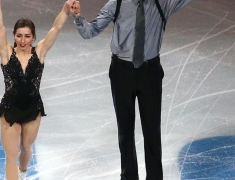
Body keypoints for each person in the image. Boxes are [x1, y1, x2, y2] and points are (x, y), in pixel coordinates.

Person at [69, 0, 193, 178]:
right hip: (122, 74)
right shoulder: (117, 3)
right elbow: (90, 31)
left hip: (150, 74)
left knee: (152, 131)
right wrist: (78, 17)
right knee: (125, 131)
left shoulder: (162, 4)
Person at [0, 0, 73, 179]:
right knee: (11, 156)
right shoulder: (6, 53)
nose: (23, 40)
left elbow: (56, 27)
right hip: (10, 109)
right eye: (19, 35)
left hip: (32, 109)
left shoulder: (40, 52)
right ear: (14, 36)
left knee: (26, 148)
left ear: (34, 37)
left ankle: (23, 171)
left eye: (27, 36)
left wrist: (66, 9)